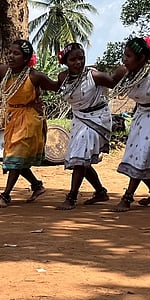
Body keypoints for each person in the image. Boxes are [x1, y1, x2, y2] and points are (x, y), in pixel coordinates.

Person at [94, 36, 150, 212]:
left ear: (142, 58)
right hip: (142, 113)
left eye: (129, 56)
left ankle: (128, 197)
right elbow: (111, 83)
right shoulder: (123, 72)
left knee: (144, 151)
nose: (124, 60)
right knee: (137, 154)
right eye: (124, 55)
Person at [0, 39, 57, 208]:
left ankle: (5, 195)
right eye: (10, 52)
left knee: (16, 154)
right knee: (17, 158)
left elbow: (56, 87)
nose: (11, 56)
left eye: (16, 53)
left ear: (26, 58)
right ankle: (37, 185)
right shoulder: (2, 71)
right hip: (13, 117)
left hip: (30, 120)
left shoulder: (35, 76)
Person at [54, 42, 112, 210]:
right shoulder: (62, 77)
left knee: (80, 155)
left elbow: (117, 82)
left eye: (81, 58)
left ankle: (71, 197)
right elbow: (53, 87)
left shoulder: (94, 76)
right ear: (65, 62)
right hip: (79, 119)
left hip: (98, 118)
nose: (78, 62)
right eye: (73, 59)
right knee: (81, 158)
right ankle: (100, 192)